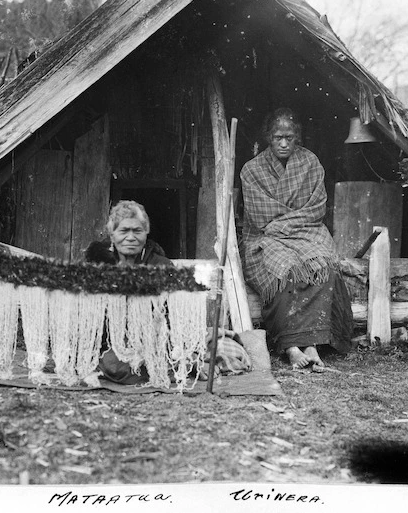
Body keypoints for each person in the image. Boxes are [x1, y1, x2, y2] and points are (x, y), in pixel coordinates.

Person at [86, 200, 250, 384]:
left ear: (146, 233)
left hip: (154, 339)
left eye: (137, 231)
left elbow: (175, 319)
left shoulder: (161, 266)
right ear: (112, 234)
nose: (131, 237)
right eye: (124, 231)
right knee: (116, 363)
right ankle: (176, 368)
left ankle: (179, 365)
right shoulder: (99, 264)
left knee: (224, 349)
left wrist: (185, 354)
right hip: (111, 342)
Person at [240, 108, 353, 370]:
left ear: (297, 137)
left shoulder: (310, 163)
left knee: (322, 267)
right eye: (278, 137)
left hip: (306, 232)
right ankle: (291, 347)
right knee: (285, 270)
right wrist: (286, 221)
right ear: (269, 136)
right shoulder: (252, 170)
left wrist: (283, 223)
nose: (283, 143)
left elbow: (316, 208)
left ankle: (312, 344)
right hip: (264, 239)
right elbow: (260, 215)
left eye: (289, 138)